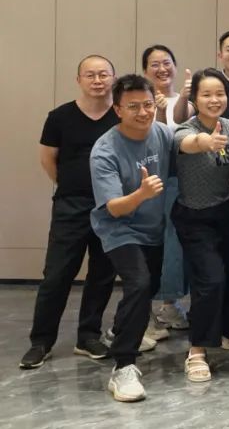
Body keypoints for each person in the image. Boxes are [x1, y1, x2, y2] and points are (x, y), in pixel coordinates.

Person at [20, 56, 119, 370]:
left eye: (103, 74)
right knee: (57, 275)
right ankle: (41, 341)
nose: (97, 80)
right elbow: (48, 159)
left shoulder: (121, 115)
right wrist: (70, 185)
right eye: (90, 75)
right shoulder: (59, 116)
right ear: (79, 80)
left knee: (102, 275)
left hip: (110, 207)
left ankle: (88, 336)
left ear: (113, 79)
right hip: (70, 206)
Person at [89, 74, 173, 402]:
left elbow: (184, 141)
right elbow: (114, 207)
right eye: (134, 106)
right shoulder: (104, 150)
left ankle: (119, 329)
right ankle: (123, 366)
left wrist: (206, 142)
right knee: (138, 283)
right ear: (118, 109)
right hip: (118, 228)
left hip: (153, 228)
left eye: (148, 104)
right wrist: (141, 193)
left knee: (149, 287)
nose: (143, 112)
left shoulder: (161, 133)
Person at [171, 68, 229, 382]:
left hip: (226, 212)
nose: (215, 100)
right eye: (207, 95)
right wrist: (205, 141)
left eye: (220, 94)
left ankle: (226, 332)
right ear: (195, 99)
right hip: (194, 216)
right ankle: (197, 350)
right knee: (209, 280)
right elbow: (190, 144)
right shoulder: (184, 131)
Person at [141, 45, 189, 337]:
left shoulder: (185, 101)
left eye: (167, 62)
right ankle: (144, 315)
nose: (162, 69)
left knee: (174, 245)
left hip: (178, 181)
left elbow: (183, 127)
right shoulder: (140, 103)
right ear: (145, 70)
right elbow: (153, 139)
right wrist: (156, 109)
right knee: (149, 243)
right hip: (148, 182)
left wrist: (181, 98)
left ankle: (170, 305)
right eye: (155, 64)